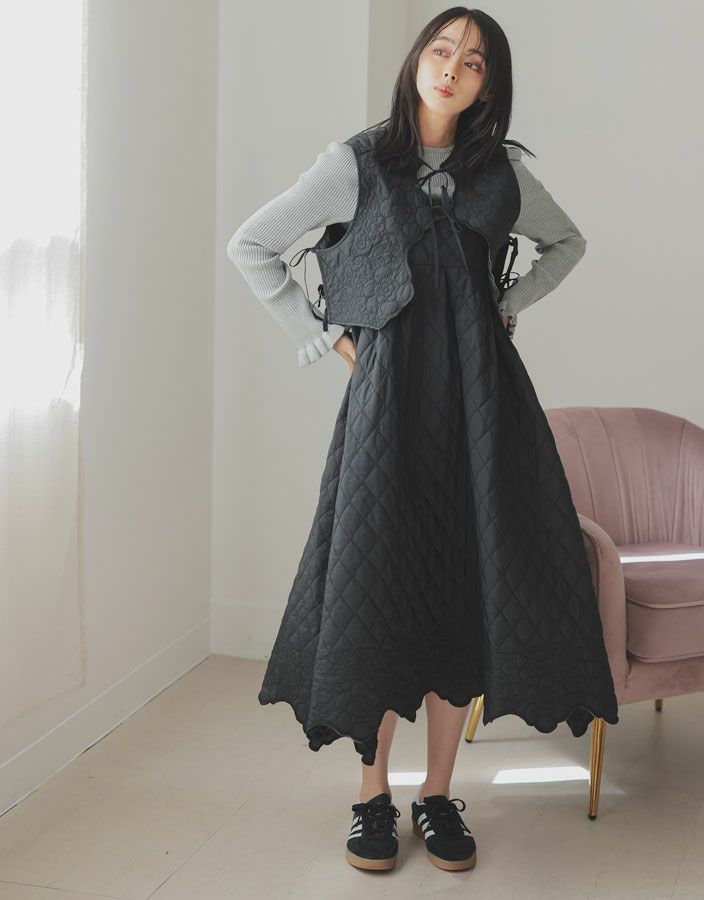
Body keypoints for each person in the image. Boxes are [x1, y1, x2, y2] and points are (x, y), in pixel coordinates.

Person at [227, 7, 619, 874]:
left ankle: (437, 794)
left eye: (472, 62)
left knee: (462, 591)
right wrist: (329, 341)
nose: (451, 68)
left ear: (488, 84)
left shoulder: (502, 173)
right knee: (376, 585)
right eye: (441, 51)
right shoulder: (355, 164)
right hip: (389, 408)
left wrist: (506, 305)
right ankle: (372, 795)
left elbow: (567, 243)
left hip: (484, 404)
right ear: (416, 61)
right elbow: (252, 246)